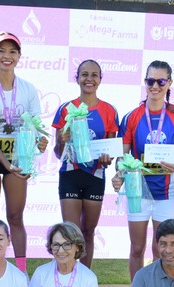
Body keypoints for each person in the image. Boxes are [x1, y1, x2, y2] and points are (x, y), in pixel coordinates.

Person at [0, 32, 48, 275]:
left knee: (15, 216)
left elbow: (35, 129)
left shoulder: (27, 89)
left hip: (19, 158)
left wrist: (40, 143)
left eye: (12, 51)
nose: (7, 56)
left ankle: (21, 272)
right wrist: (6, 163)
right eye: (1, 51)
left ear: (19, 56)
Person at [112, 60, 174, 281]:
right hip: (138, 191)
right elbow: (122, 156)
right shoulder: (132, 117)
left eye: (161, 81)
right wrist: (119, 174)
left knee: (162, 250)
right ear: (145, 82)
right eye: (150, 81)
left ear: (169, 83)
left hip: (167, 192)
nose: (155, 86)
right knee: (137, 248)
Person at [52, 60, 119, 268]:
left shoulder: (109, 110)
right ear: (77, 78)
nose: (89, 79)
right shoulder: (65, 109)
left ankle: (85, 279)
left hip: (95, 176)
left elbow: (110, 151)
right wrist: (63, 140)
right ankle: (67, 277)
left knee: (88, 231)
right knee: (71, 231)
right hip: (70, 175)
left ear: (100, 79)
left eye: (94, 75)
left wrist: (108, 159)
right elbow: (57, 152)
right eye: (84, 75)